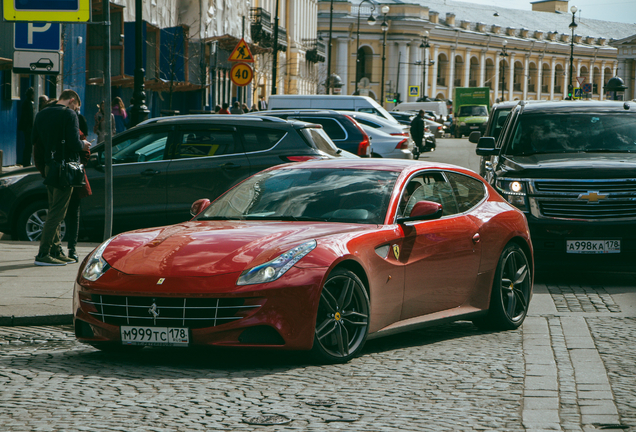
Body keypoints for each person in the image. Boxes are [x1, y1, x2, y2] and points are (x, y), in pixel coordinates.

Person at [32, 89, 91, 266]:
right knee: (58, 212)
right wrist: (84, 144)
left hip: (50, 165)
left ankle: (56, 250)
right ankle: (43, 253)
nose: (77, 110)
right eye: (77, 107)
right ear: (72, 101)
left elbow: (36, 141)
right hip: (65, 167)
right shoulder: (69, 114)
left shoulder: (41, 114)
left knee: (53, 207)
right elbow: (74, 143)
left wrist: (43, 166)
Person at [64, 110, 92, 263]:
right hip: (74, 176)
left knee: (59, 211)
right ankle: (71, 248)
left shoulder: (57, 130)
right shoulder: (77, 132)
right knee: (74, 212)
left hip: (58, 175)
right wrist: (80, 165)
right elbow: (86, 152)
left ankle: (59, 247)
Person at [17, 87, 35, 166]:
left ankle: (26, 162)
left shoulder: (26, 103)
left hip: (26, 128)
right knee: (28, 146)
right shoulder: (28, 104)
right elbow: (30, 116)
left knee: (28, 145)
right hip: (28, 128)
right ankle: (26, 162)